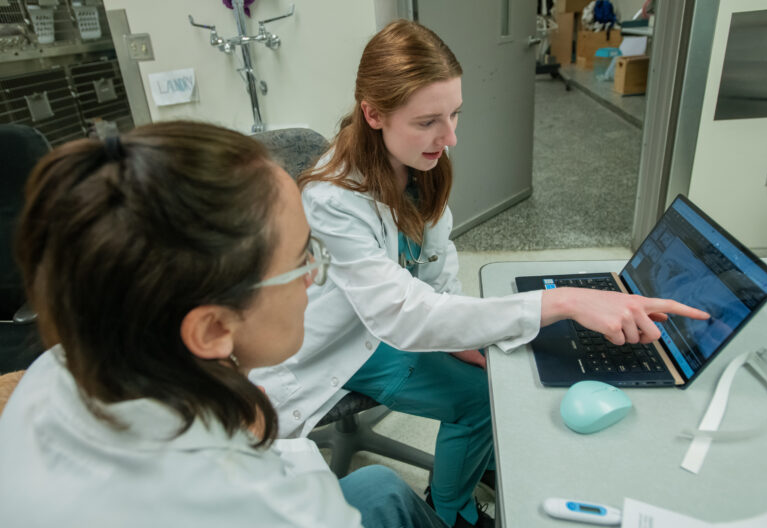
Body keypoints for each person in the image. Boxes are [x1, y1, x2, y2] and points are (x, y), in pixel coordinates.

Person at [249, 19, 709, 528]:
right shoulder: (333, 198)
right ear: (373, 114)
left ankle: (472, 467)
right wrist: (564, 301)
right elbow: (400, 315)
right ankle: (451, 515)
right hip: (341, 342)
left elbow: (438, 273)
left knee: (496, 376)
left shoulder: (417, 164)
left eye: (454, 114)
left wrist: (476, 341)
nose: (450, 137)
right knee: (478, 400)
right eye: (429, 121)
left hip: (387, 323)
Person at [0, 121, 448, 528]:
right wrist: (261, 435)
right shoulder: (253, 500)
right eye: (300, 261)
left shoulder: (65, 360)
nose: (314, 275)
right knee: (383, 492)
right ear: (212, 329)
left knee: (379, 488)